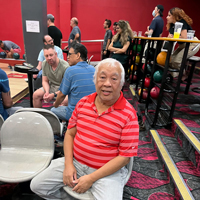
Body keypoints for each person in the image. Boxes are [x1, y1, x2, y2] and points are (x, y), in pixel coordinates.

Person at [30, 58, 139, 200]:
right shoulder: (83, 103)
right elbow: (69, 134)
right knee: (37, 186)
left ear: (121, 84)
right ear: (95, 80)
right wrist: (68, 165)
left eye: (114, 79)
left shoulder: (128, 114)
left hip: (107, 173)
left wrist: (91, 178)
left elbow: (124, 158)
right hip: (76, 162)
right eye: (102, 77)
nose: (107, 83)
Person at [51, 42, 96, 122]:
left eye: (69, 54)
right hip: (92, 112)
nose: (67, 57)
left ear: (78, 55)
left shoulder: (70, 71)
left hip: (76, 113)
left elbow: (61, 95)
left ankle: (63, 131)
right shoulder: (93, 69)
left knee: (53, 110)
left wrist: (56, 104)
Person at [166, 7, 200, 80]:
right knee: (171, 60)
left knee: (177, 60)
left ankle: (184, 75)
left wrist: (173, 37)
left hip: (192, 44)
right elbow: (173, 37)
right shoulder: (172, 25)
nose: (167, 17)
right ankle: (176, 76)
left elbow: (184, 37)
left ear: (174, 16)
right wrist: (170, 36)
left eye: (169, 15)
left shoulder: (182, 22)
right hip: (183, 45)